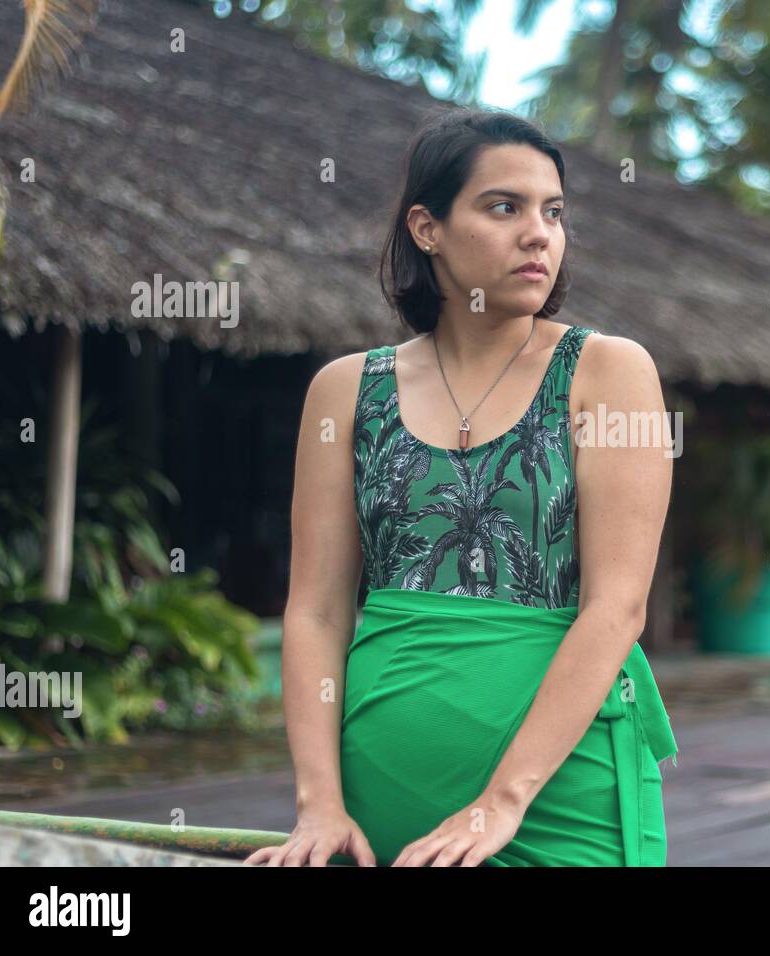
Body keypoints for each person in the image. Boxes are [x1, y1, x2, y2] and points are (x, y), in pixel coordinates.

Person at [246, 108, 677, 867]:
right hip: (379, 794)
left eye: (553, 212)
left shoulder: (609, 372)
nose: (538, 232)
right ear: (427, 227)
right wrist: (320, 803)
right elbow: (315, 610)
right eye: (503, 207)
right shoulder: (346, 391)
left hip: (556, 796)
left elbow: (619, 607)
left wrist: (499, 803)